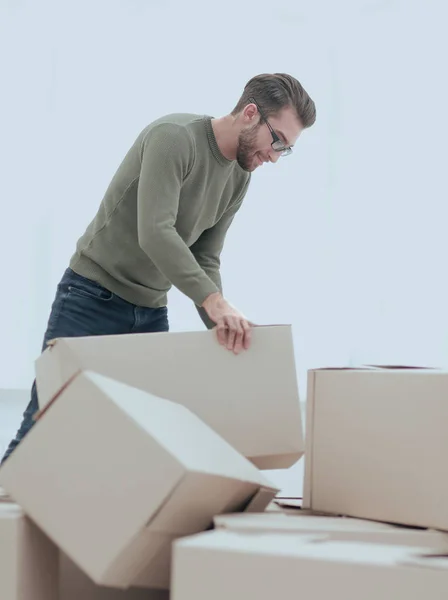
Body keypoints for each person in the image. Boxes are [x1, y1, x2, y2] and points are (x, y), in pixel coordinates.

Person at [1, 72, 316, 463]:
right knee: (42, 428)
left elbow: (206, 257)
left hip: (150, 312)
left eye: (286, 149)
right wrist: (213, 300)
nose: (275, 156)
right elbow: (155, 232)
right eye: (278, 141)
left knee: (138, 449)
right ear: (250, 113)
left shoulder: (239, 175)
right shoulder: (173, 137)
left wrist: (220, 325)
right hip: (90, 298)